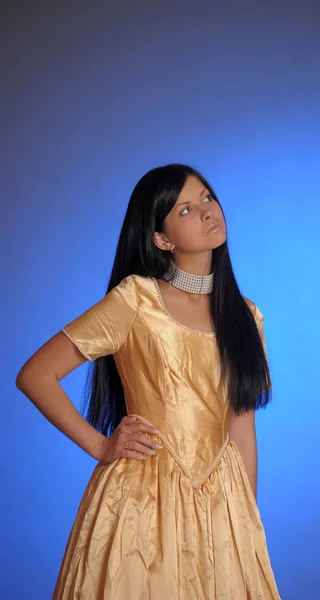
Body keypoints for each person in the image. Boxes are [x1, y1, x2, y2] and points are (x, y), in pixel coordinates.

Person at [16, 163, 281, 599]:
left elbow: (241, 426)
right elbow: (35, 375)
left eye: (208, 198)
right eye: (185, 210)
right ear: (162, 239)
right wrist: (102, 446)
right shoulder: (136, 300)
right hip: (141, 500)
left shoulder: (246, 315)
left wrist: (244, 518)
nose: (207, 211)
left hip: (222, 499)